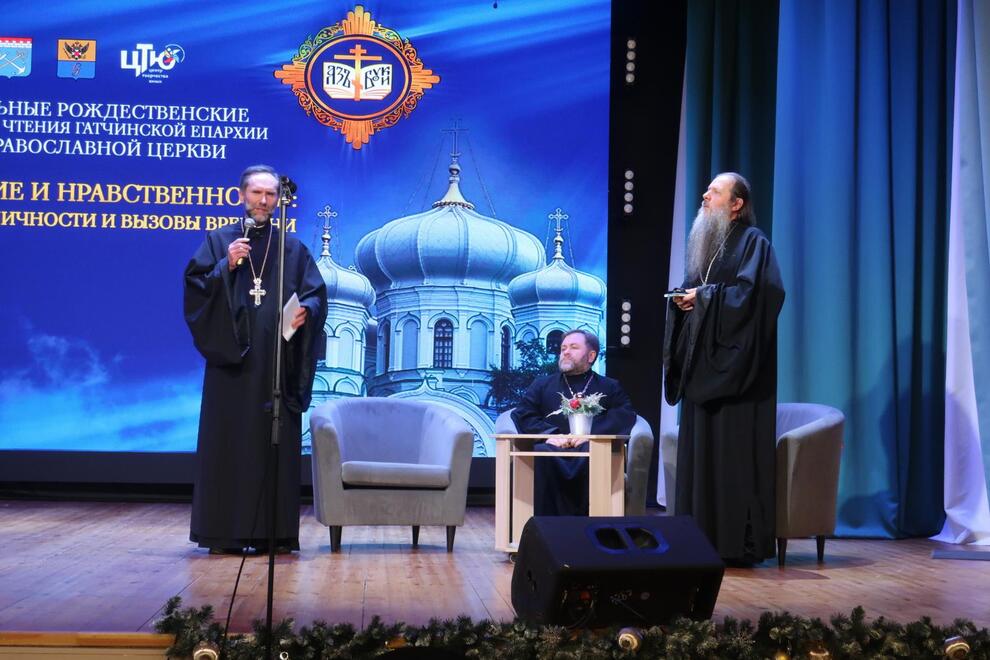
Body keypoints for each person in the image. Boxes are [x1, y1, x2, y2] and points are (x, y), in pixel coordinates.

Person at [184, 164, 327, 554]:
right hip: (231, 367)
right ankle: (222, 534)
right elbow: (196, 289)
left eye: (270, 195)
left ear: (278, 200)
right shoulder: (220, 241)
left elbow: (315, 294)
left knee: (271, 444)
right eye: (256, 193)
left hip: (276, 364)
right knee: (228, 446)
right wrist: (225, 266)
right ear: (242, 195)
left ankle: (272, 533)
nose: (263, 201)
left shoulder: (293, 249)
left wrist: (307, 311)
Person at [663, 172, 785, 565]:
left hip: (738, 373)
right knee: (698, 458)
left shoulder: (754, 242)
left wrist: (705, 298)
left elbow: (759, 295)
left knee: (732, 459)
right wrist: (685, 300)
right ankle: (695, 539)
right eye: (706, 190)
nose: (705, 195)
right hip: (701, 369)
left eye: (714, 192)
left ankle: (734, 544)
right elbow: (701, 292)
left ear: (736, 204)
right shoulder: (707, 246)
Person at [511, 329, 636, 515]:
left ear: (591, 356)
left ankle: (590, 525)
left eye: (573, 347)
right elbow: (523, 414)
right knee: (542, 452)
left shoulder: (609, 386)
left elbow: (624, 415)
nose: (566, 352)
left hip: (591, 448)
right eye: (563, 348)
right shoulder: (542, 384)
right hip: (550, 447)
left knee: (595, 452)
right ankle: (546, 526)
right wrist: (550, 435)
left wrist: (591, 436)